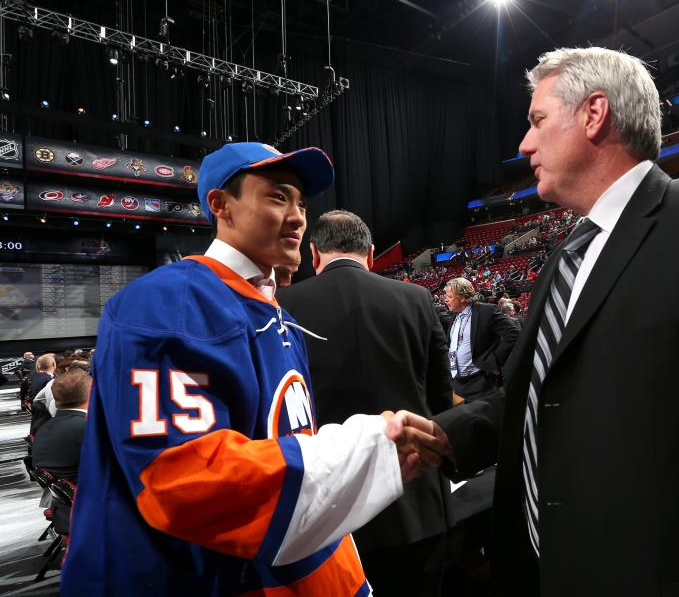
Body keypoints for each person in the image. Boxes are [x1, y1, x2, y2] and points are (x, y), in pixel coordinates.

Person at [394, 46, 679, 595]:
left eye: (538, 120)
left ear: (594, 114)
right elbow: (548, 394)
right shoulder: (565, 256)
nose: (524, 143)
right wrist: (446, 436)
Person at [62, 142, 432, 596]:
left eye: (301, 202)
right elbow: (184, 480)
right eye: (278, 197)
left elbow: (286, 445)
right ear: (221, 205)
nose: (298, 216)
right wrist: (364, 450)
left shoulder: (277, 313)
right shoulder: (169, 303)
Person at [278, 210, 454, 597]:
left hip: (326, 512)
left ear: (314, 254)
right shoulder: (417, 299)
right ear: (372, 253)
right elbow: (442, 402)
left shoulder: (282, 305)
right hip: (417, 507)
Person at [32, 370, 91, 535]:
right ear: (92, 392)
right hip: (93, 507)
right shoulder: (88, 428)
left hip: (65, 508)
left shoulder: (44, 429)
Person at [443, 277, 519, 401]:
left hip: (479, 382)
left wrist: (495, 361)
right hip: (457, 383)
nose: (445, 300)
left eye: (449, 297)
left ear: (462, 297)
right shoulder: (454, 315)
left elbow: (513, 333)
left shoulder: (485, 311)